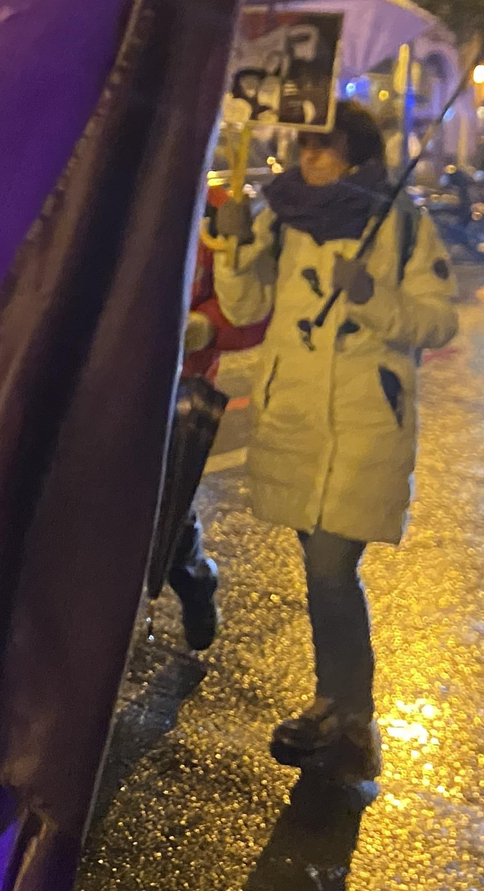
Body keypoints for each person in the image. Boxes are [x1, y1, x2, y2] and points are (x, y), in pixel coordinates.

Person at [214, 101, 457, 786]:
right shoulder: (281, 215)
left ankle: (339, 708)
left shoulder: (401, 222)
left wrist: (372, 296)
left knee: (328, 566)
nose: (312, 155)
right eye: (305, 143)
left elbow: (437, 322)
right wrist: (233, 250)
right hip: (295, 416)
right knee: (324, 569)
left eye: (327, 144)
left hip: (363, 420)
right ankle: (348, 717)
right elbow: (245, 309)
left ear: (356, 152)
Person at [164, 185, 272, 651]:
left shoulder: (215, 209)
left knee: (165, 509)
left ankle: (194, 583)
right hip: (96, 382)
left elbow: (247, 308)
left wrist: (207, 326)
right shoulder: (94, 186)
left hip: (178, 390)